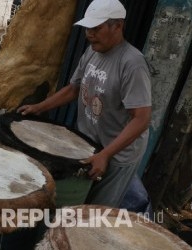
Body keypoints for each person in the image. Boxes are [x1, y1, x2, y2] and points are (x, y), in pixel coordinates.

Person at [17, 0, 151, 208]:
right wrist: (39, 107)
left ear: (118, 26)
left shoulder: (132, 64)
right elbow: (73, 89)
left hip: (117, 153)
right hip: (90, 143)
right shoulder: (92, 51)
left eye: (96, 28)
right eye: (88, 28)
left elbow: (141, 119)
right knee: (74, 200)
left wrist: (105, 155)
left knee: (95, 210)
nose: (89, 34)